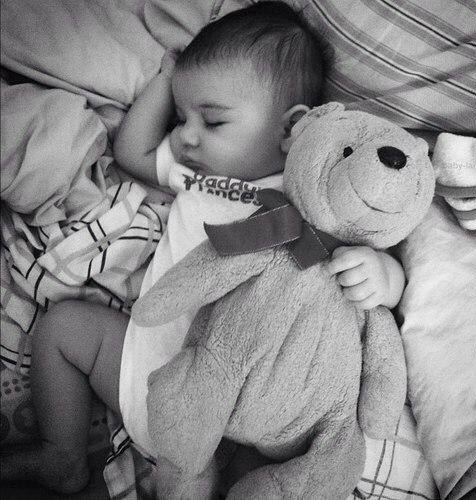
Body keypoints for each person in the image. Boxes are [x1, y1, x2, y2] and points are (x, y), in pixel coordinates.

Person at [1, 1, 405, 494]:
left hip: (246, 414)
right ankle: (61, 455)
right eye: (181, 117)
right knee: (62, 329)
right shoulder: (199, 178)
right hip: (148, 376)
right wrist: (166, 78)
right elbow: (132, 152)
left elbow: (376, 250)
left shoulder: (313, 193)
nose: (187, 136)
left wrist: (381, 275)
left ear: (288, 129)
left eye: (212, 122)